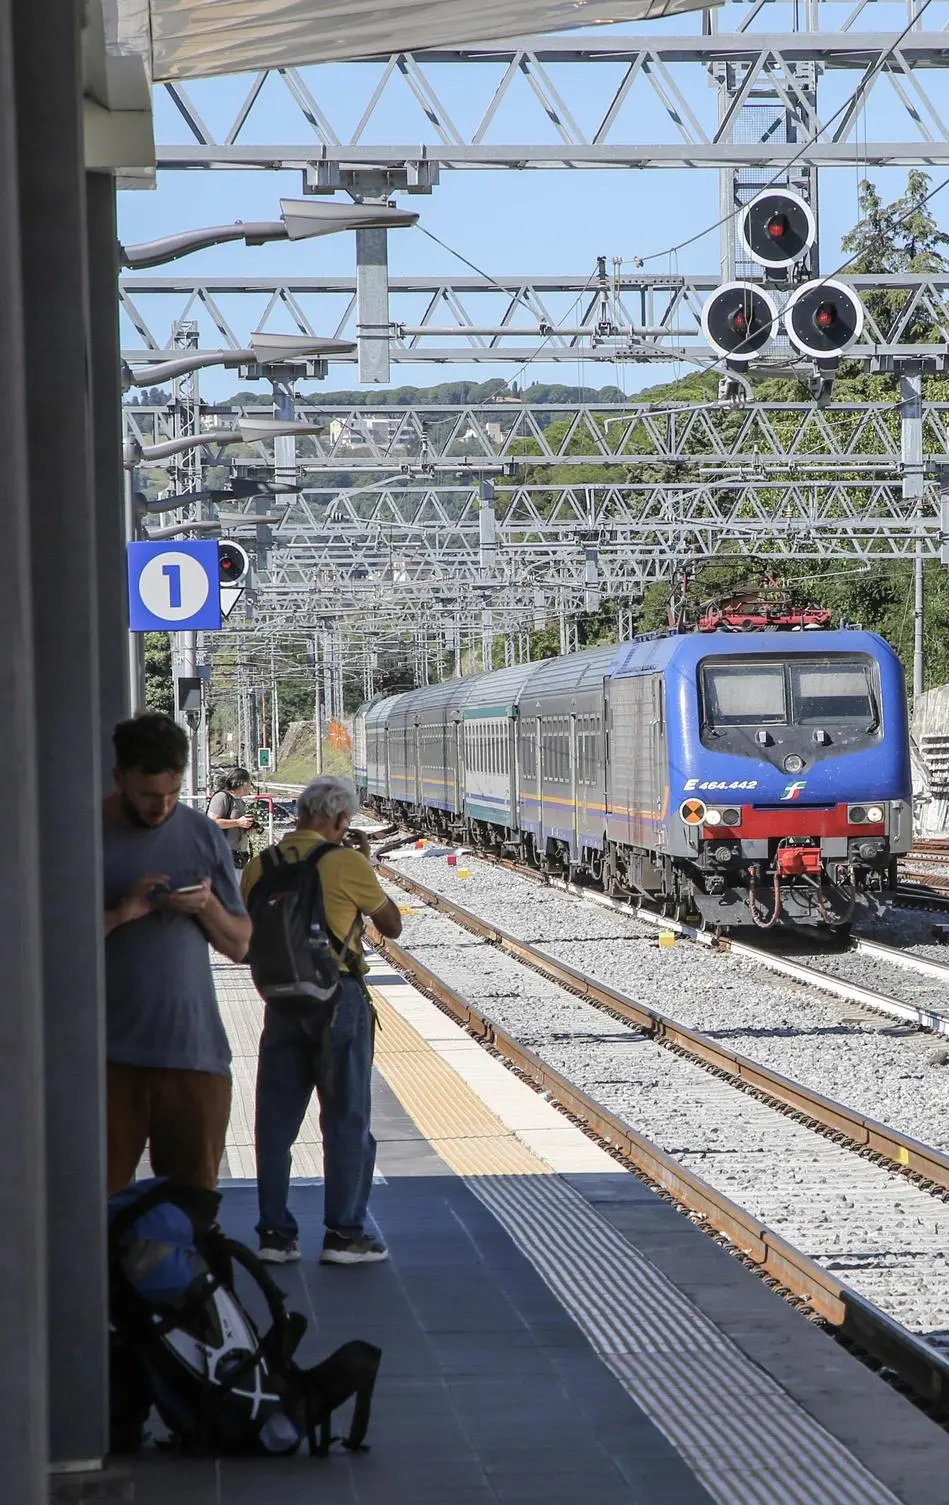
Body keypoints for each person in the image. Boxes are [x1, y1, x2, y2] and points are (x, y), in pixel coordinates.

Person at [241, 775, 403, 1266]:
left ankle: (274, 1234)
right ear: (338, 819)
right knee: (346, 1118)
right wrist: (362, 862)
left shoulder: (259, 864)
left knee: (275, 1122)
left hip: (282, 1002)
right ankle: (345, 1234)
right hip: (338, 1001)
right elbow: (391, 924)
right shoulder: (345, 862)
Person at [103, 713, 252, 1196]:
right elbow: (42, 943)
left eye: (172, 793)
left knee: (193, 1211)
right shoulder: (80, 837)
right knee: (88, 1212)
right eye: (148, 795)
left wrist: (206, 905)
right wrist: (125, 911)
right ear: (119, 777)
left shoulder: (202, 835)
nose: (161, 807)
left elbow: (239, 944)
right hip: (103, 1058)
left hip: (193, 1055)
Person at [207, 768, 255, 869]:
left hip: (239, 856)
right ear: (242, 783)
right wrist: (238, 822)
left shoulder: (239, 801)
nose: (251, 786)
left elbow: (238, 824)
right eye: (249, 783)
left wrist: (248, 827)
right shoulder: (222, 797)